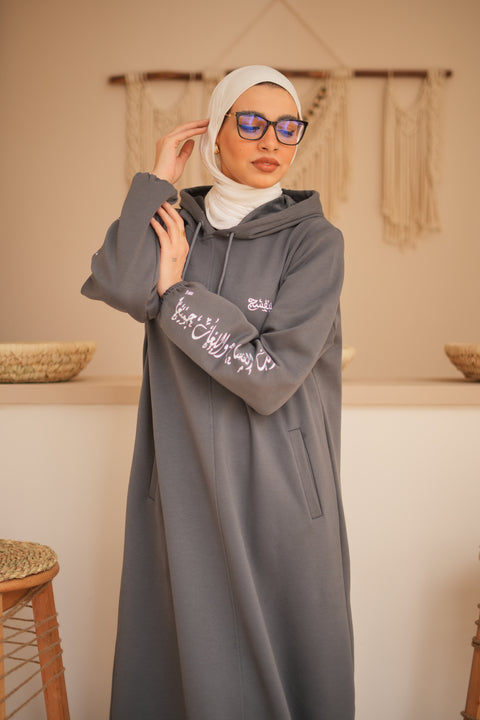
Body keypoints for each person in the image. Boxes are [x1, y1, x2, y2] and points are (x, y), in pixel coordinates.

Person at [82, 64, 354, 720]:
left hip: (279, 484)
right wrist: (156, 181)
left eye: (287, 127)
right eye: (251, 123)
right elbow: (118, 284)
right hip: (184, 479)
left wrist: (178, 294)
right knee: (183, 659)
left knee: (289, 660)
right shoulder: (177, 221)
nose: (271, 141)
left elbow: (269, 375)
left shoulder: (315, 241)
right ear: (215, 132)